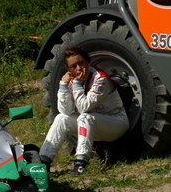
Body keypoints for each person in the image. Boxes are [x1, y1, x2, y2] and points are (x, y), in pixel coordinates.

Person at [39, 46, 129, 174]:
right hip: (92, 124)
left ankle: (80, 164)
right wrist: (63, 85)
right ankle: (43, 162)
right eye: (73, 66)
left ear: (87, 61)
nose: (79, 68)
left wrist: (76, 85)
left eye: (81, 63)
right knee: (61, 118)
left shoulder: (100, 79)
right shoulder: (73, 80)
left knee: (84, 116)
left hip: (116, 123)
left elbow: (84, 107)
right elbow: (65, 111)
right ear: (68, 69)